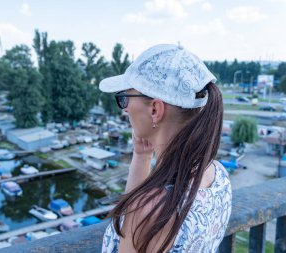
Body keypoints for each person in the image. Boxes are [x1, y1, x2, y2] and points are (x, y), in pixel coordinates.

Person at [99, 44, 232, 253]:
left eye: (124, 97)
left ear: (155, 109)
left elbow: (139, 213)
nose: (124, 108)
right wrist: (141, 156)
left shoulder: (151, 212)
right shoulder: (218, 175)